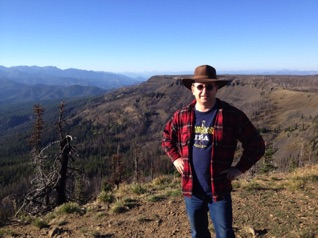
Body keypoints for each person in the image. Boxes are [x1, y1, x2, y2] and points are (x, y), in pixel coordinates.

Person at [162, 65, 265, 238]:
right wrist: (175, 158)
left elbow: (256, 145)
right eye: (200, 86)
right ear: (192, 89)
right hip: (192, 189)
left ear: (216, 88)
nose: (204, 91)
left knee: (224, 233)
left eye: (209, 86)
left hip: (219, 188)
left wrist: (239, 169)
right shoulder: (182, 115)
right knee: (198, 233)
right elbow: (166, 138)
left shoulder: (231, 115)